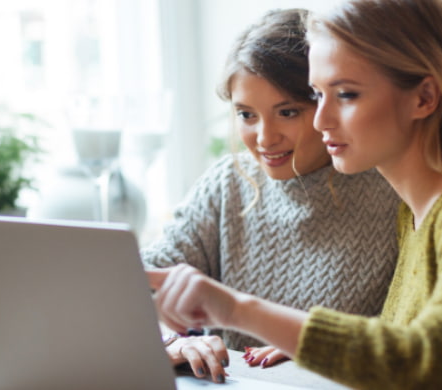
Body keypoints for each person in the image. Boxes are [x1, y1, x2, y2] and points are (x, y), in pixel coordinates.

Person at [148, 0, 442, 389]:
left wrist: (237, 310)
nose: (322, 119)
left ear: (424, 98)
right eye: (317, 94)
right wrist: (327, 347)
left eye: (345, 94)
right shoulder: (417, 208)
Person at [141, 8, 400, 384]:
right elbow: (140, 284)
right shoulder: (228, 183)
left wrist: (316, 343)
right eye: (247, 115)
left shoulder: (391, 189)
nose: (264, 138)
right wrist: (170, 341)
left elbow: (413, 335)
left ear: (328, 105)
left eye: (288, 111)